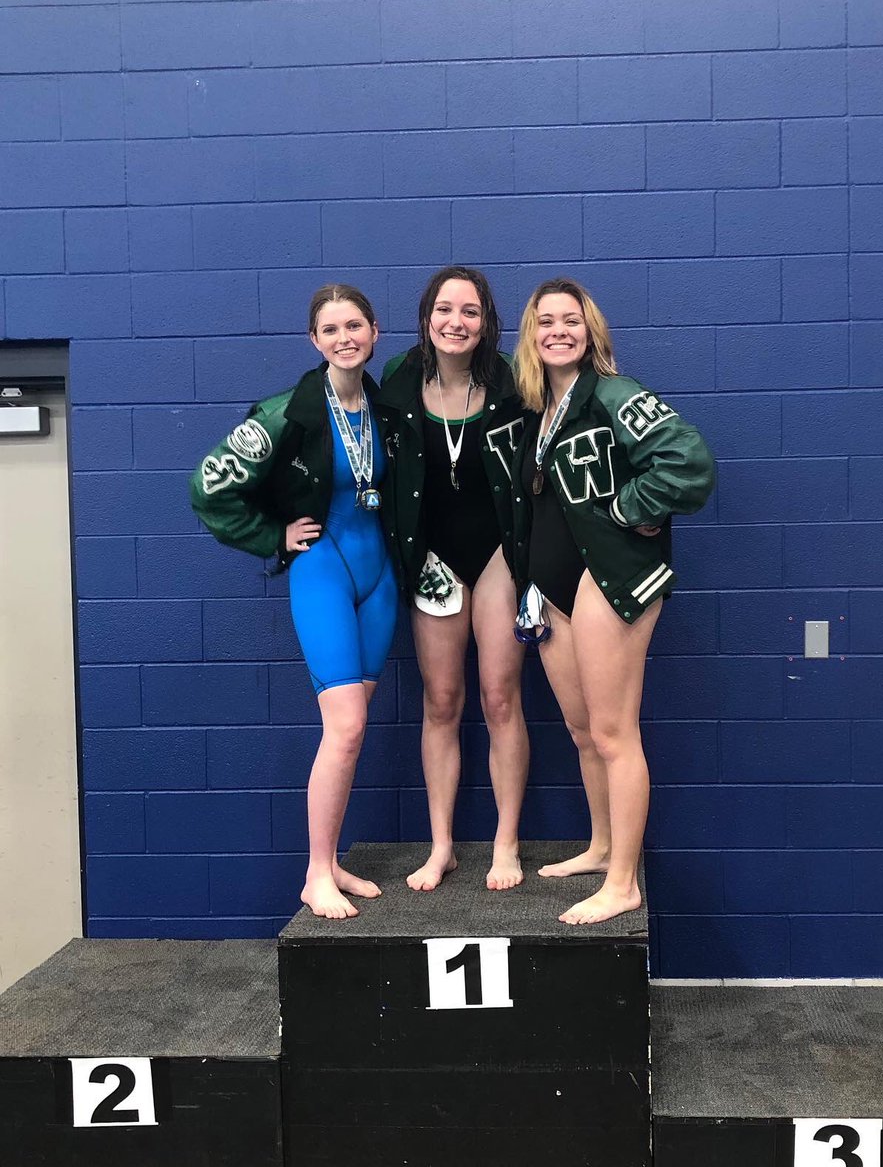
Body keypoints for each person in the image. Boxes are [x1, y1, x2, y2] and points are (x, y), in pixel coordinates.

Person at [190, 284, 397, 920]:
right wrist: (270, 536)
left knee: (352, 729)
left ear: (374, 332)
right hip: (323, 573)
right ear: (315, 340)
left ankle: (331, 858)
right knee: (346, 727)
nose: (345, 338)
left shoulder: (387, 408)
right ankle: (314, 875)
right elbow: (209, 488)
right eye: (331, 329)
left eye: (355, 325)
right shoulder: (285, 412)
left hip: (380, 578)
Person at [511, 278, 715, 924]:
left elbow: (688, 463)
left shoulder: (614, 393)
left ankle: (623, 881)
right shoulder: (541, 409)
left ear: (590, 330)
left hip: (611, 577)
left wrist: (631, 509)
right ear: (530, 335)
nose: (557, 331)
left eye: (570, 320)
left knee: (612, 731)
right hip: (557, 591)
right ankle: (600, 848)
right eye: (545, 321)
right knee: (580, 731)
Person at [376, 266, 529, 892]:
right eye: (445, 310)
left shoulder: (514, 383)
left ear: (487, 322)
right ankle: (441, 845)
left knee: (499, 697)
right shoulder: (398, 379)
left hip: (497, 553)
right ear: (426, 318)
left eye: (469, 311)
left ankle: (505, 842)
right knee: (441, 702)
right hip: (432, 556)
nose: (455, 322)